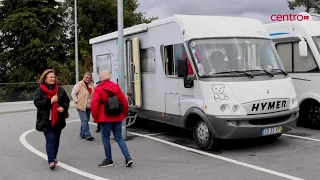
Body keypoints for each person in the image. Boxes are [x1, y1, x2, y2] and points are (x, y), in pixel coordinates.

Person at [91, 70, 133, 167]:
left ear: (100, 79)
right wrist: (124, 114)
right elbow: (124, 101)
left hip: (105, 118)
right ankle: (128, 158)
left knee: (105, 139)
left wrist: (96, 118)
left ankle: (109, 160)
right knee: (119, 137)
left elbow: (94, 105)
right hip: (117, 117)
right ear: (109, 77)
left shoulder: (99, 89)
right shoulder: (116, 87)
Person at [33, 69, 70, 169]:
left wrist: (63, 108)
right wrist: (50, 100)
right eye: (51, 77)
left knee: (56, 139)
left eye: (54, 77)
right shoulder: (39, 91)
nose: (53, 79)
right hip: (46, 120)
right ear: (45, 79)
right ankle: (51, 161)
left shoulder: (60, 90)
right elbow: (37, 103)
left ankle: (54, 156)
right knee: (50, 139)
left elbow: (66, 101)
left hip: (58, 119)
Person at [71, 72, 95, 141]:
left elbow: (93, 94)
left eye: (89, 77)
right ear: (84, 77)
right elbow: (73, 93)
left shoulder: (92, 84)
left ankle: (82, 134)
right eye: (86, 77)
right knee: (84, 120)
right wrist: (76, 101)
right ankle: (88, 135)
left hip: (88, 106)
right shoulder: (79, 84)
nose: (88, 79)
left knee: (86, 120)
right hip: (81, 105)